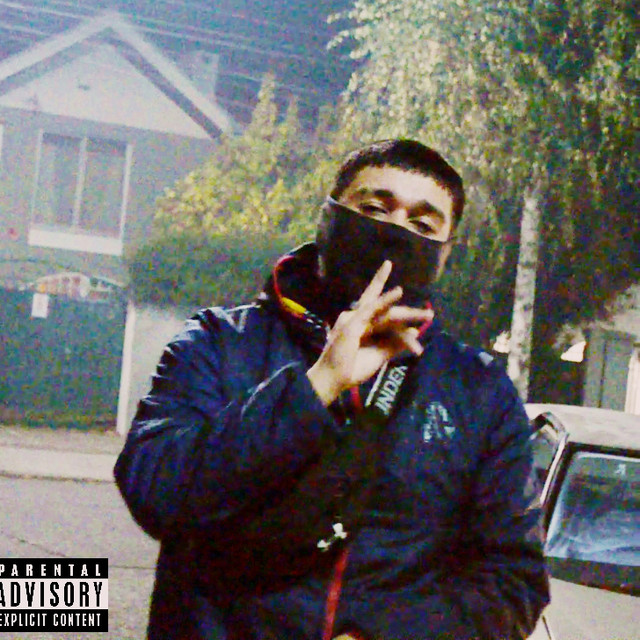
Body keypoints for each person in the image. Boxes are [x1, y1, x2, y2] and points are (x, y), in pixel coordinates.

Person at [115, 139, 549, 639]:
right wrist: (316, 386)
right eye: (375, 209)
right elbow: (156, 490)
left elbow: (514, 580)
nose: (395, 233)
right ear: (327, 217)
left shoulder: (479, 390)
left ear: (445, 254)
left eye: (422, 225)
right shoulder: (218, 342)